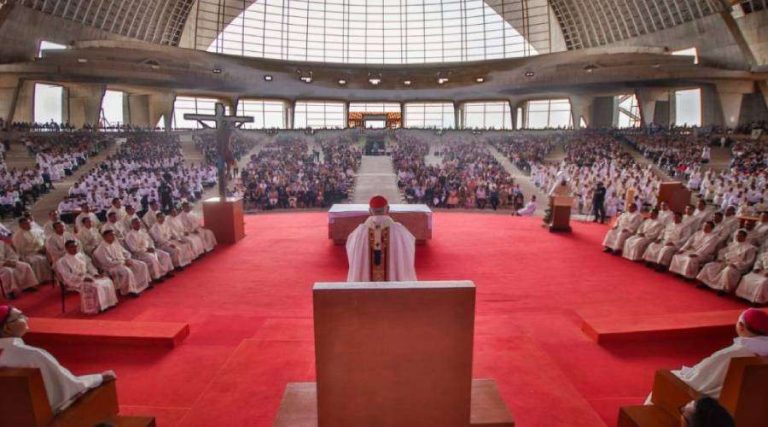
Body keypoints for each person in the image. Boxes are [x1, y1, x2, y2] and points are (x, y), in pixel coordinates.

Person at [0, 305, 117, 412]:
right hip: (38, 415)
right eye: (20, 316)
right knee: (106, 380)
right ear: (7, 329)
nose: (27, 318)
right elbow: (68, 387)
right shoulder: (32, 355)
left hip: (9, 416)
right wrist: (98, 378)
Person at [657, 309, 768, 400]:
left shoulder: (732, 354)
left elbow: (697, 381)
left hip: (719, 406)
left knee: (663, 383)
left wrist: (681, 374)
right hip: (754, 406)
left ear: (740, 326)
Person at [346, 195, 417, 282]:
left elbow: (351, 248)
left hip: (366, 288)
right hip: (392, 285)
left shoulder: (360, 232)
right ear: (388, 209)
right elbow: (409, 247)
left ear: (370, 211)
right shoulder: (399, 230)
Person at [55, 241, 118, 314]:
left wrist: (95, 274)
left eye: (75, 246)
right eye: (72, 247)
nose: (74, 248)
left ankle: (108, 303)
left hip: (86, 275)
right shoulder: (62, 261)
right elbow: (67, 275)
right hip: (74, 280)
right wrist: (82, 279)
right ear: (66, 248)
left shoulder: (81, 256)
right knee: (95, 286)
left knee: (107, 280)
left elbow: (89, 266)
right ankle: (96, 307)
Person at [697, 229, 757, 294]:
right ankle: (705, 283)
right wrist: (720, 258)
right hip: (725, 262)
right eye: (737, 236)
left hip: (737, 267)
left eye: (740, 236)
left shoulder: (750, 248)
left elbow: (749, 261)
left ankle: (723, 289)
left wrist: (736, 264)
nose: (738, 237)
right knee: (709, 265)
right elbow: (722, 251)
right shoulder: (732, 244)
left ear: (745, 237)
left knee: (727, 271)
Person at [93, 229, 150, 296]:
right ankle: (129, 291)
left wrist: (128, 259)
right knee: (127, 271)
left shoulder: (115, 243)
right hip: (112, 267)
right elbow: (108, 262)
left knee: (142, 265)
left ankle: (142, 284)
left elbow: (126, 252)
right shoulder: (101, 249)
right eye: (111, 235)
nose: (113, 236)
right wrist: (123, 262)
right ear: (105, 237)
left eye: (113, 235)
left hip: (122, 261)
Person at [12, 217, 53, 282]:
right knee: (39, 260)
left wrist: (44, 247)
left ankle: (53, 276)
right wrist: (37, 251)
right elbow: (20, 250)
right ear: (21, 225)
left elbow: (45, 239)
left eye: (29, 223)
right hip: (29, 254)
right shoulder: (18, 236)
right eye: (26, 224)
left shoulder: (36, 230)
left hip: (42, 250)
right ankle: (40, 279)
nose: (29, 225)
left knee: (52, 254)